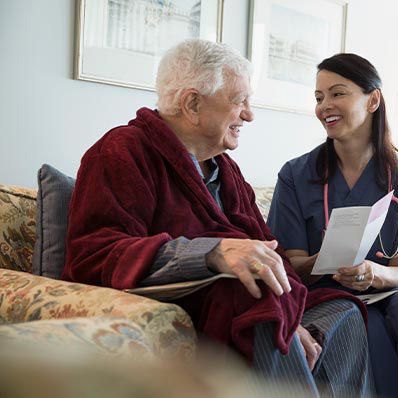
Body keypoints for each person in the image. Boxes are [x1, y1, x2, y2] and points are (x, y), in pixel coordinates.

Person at [62, 39, 372, 397]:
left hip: (248, 304)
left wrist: (290, 317)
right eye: (239, 101)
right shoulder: (121, 152)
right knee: (254, 294)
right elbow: (95, 252)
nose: (249, 114)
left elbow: (267, 249)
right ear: (192, 103)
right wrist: (211, 253)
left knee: (341, 308)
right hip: (182, 296)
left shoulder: (227, 171)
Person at [267, 53, 398, 398]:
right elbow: (292, 268)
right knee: (370, 327)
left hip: (390, 290)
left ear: (373, 100)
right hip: (325, 292)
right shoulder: (295, 175)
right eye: (319, 97)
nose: (325, 105)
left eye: (338, 93)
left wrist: (372, 273)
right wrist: (326, 260)